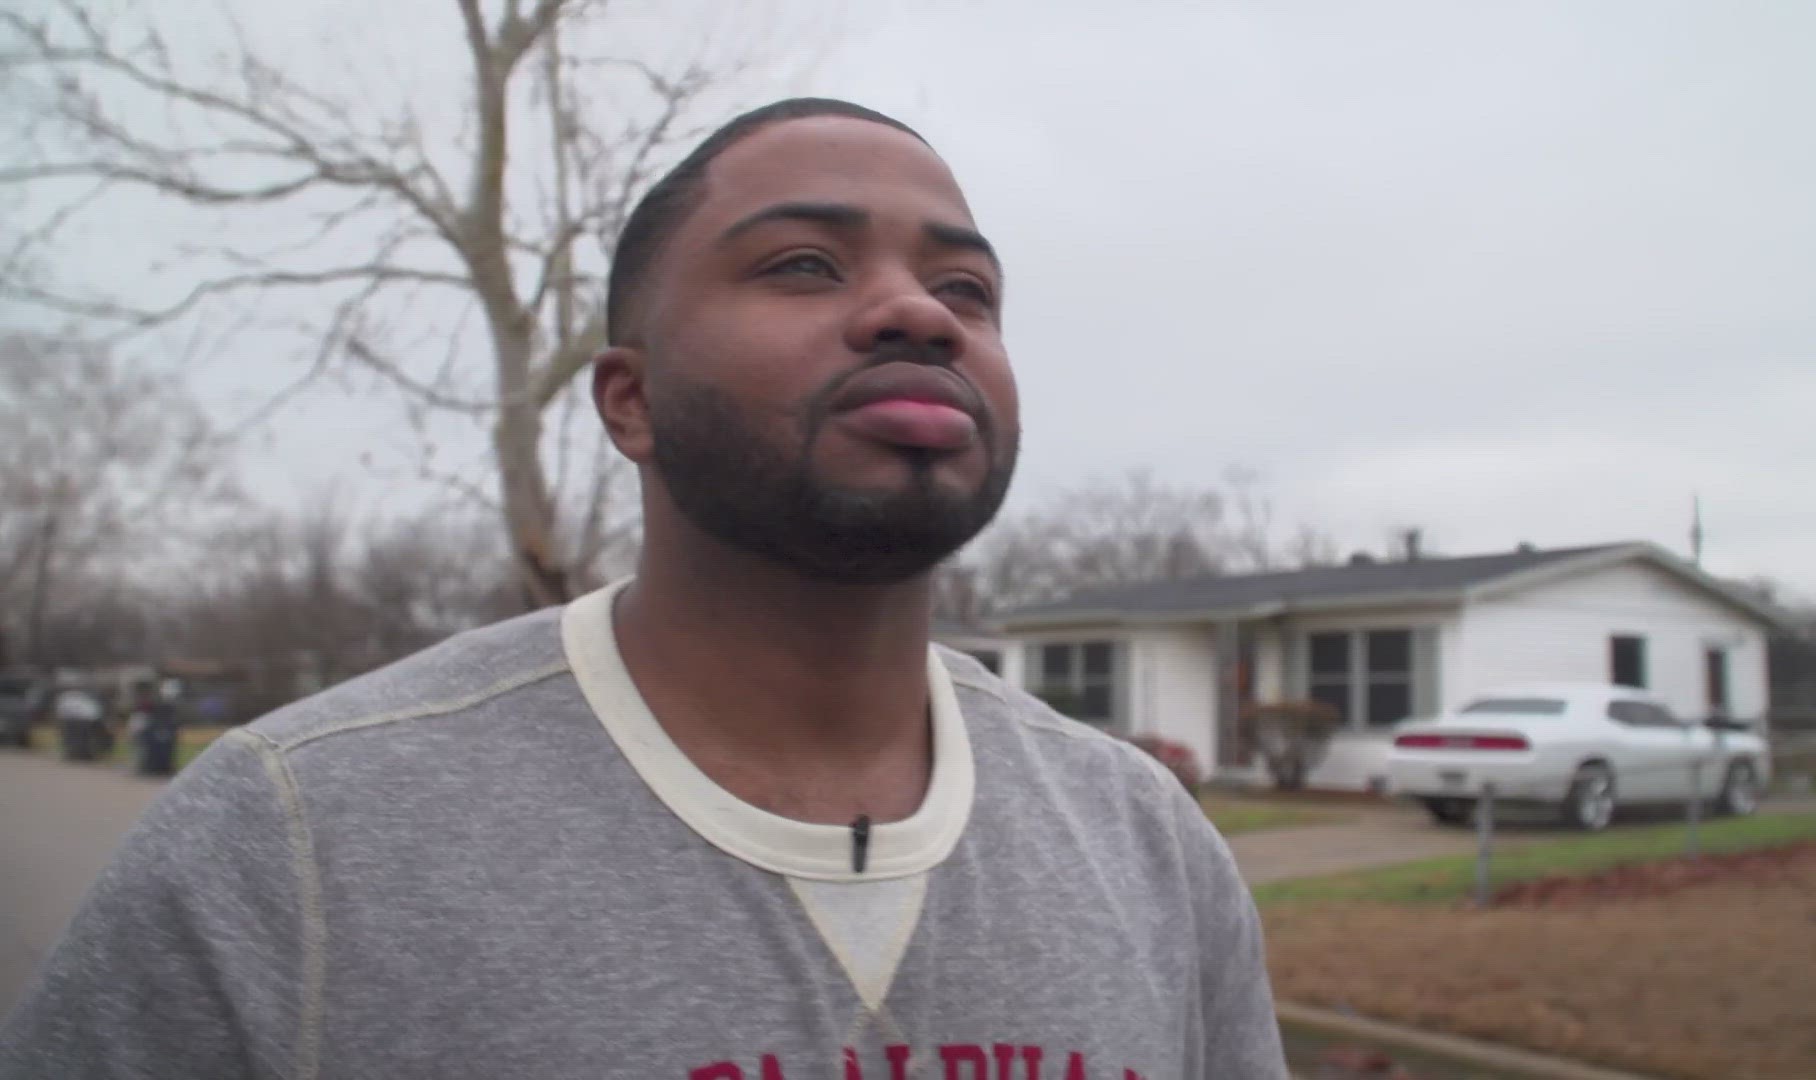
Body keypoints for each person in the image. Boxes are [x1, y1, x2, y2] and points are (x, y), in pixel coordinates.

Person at [2, 98, 1286, 1078]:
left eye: (967, 289)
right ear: (631, 399)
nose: (919, 314)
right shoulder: (289, 845)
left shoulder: (1150, 845)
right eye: (802, 265)